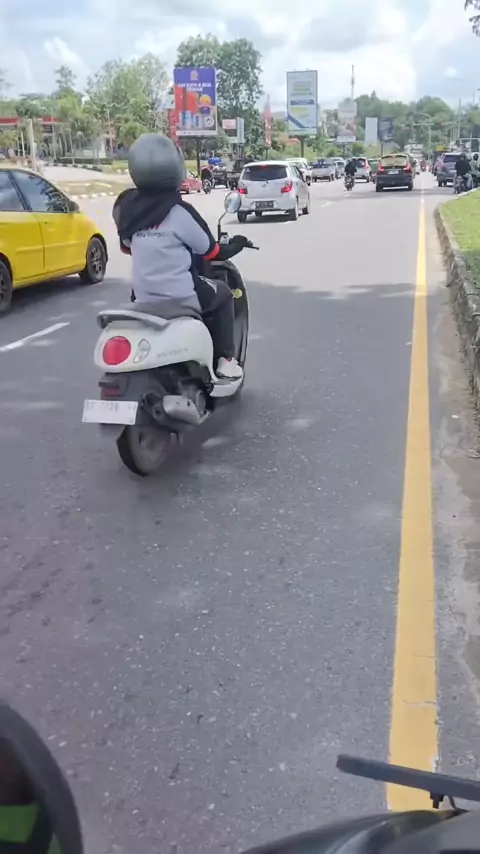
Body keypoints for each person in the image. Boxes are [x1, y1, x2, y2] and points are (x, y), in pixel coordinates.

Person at [113, 134, 248, 381]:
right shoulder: (179, 211)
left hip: (142, 300)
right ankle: (226, 361)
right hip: (181, 299)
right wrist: (236, 245)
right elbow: (211, 251)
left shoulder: (127, 209)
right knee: (223, 295)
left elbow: (127, 248)